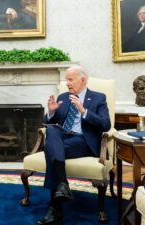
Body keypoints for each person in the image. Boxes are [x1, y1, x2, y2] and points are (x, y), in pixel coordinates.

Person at [37, 66, 111, 225]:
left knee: (51, 151)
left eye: (70, 79)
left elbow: (106, 125)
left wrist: (84, 111)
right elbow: (48, 122)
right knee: (51, 129)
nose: (67, 83)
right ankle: (63, 184)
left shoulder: (98, 98)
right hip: (62, 138)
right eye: (66, 79)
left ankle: (55, 208)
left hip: (83, 141)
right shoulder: (63, 96)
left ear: (82, 80)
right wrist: (51, 112)